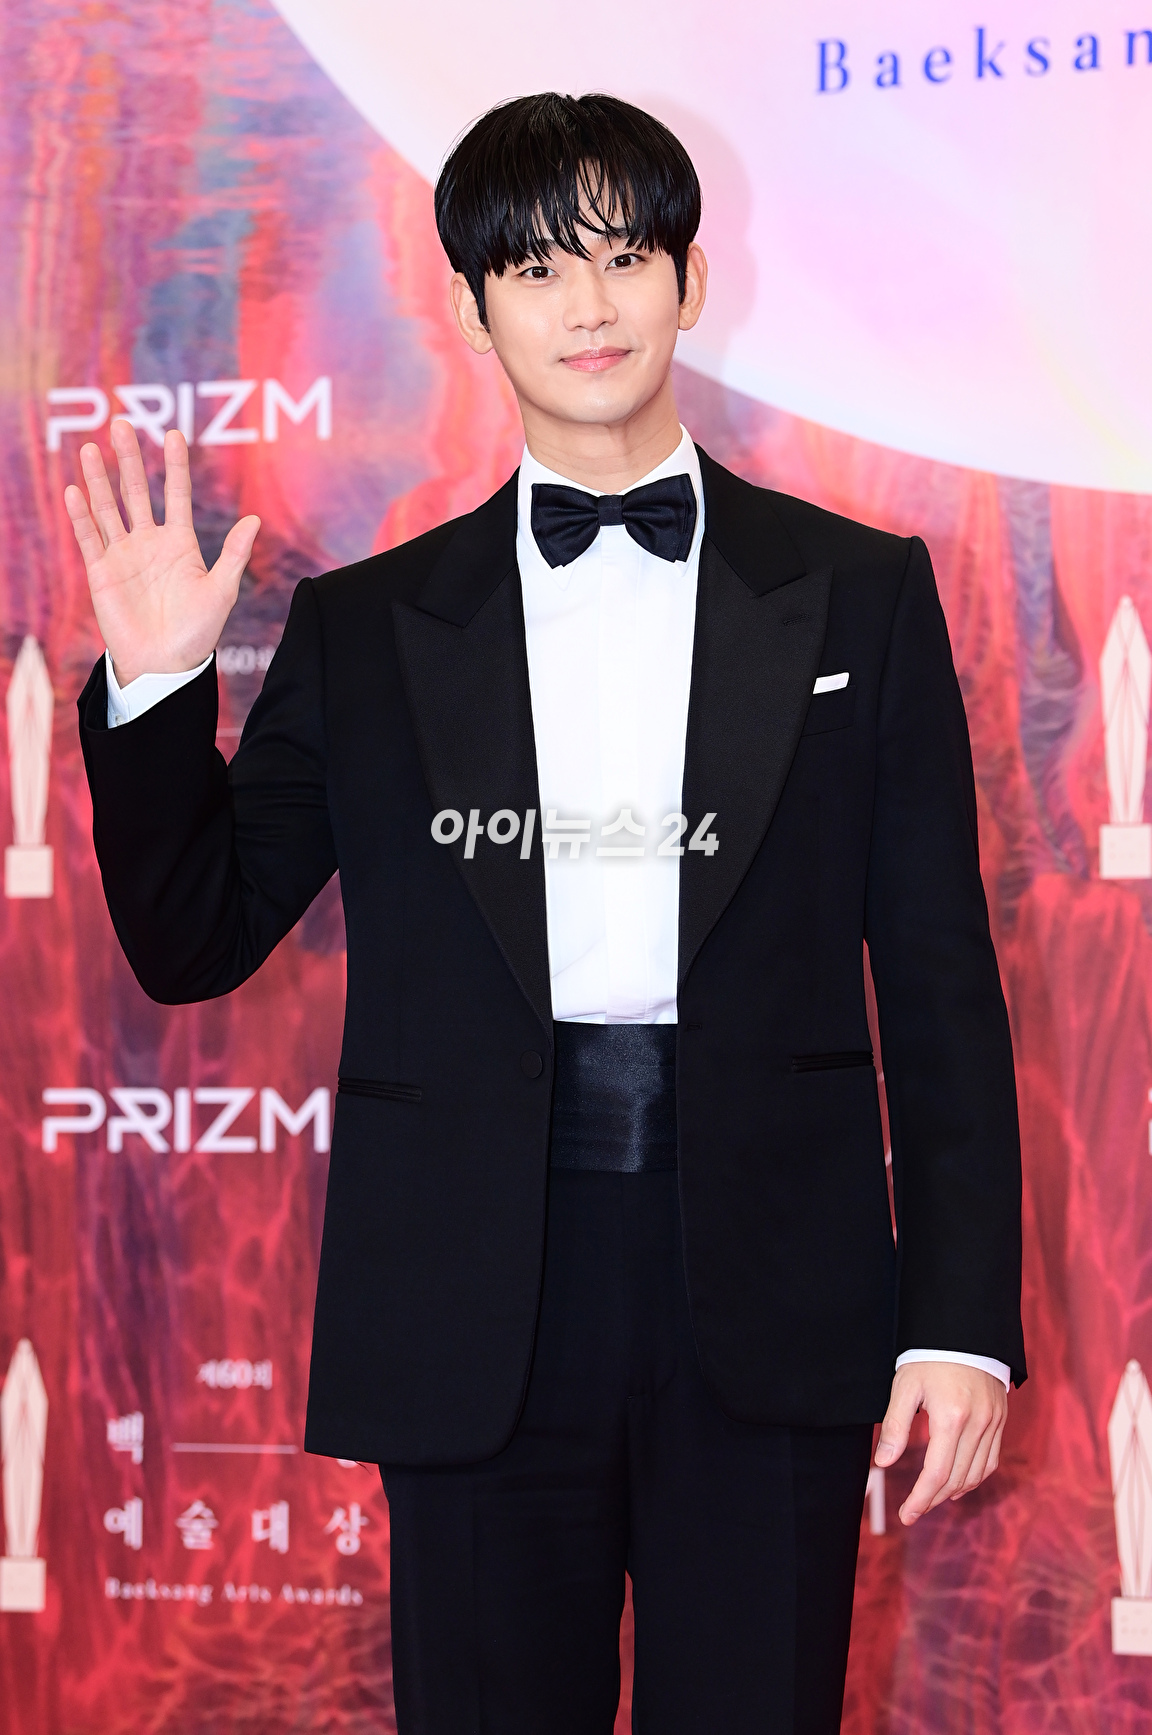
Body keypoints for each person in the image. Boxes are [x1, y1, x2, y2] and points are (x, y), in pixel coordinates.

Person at [67, 93, 1024, 1735]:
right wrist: (157, 691)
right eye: (537, 267)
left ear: (691, 282)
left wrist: (961, 1325)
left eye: (626, 256)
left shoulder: (860, 595)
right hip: (476, 1289)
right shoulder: (373, 628)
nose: (589, 304)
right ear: (470, 307)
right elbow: (193, 938)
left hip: (773, 1279)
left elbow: (940, 983)